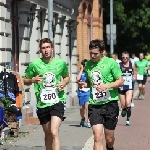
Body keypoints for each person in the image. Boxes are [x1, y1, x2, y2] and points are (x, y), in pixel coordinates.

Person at [24, 38, 70, 150]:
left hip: (57, 101)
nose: (46, 50)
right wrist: (33, 80)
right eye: (43, 48)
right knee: (48, 133)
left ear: (52, 49)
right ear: (40, 50)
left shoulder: (60, 63)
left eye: (48, 47)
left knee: (54, 132)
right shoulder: (34, 64)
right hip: (42, 103)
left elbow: (67, 77)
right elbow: (25, 80)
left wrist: (63, 83)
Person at [78, 39, 124, 150]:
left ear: (102, 52)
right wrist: (85, 84)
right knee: (97, 137)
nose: (92, 56)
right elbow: (91, 82)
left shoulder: (110, 62)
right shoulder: (88, 65)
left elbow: (121, 81)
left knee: (109, 139)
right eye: (91, 53)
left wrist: (106, 86)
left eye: (95, 53)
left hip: (110, 103)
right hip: (95, 104)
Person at [118, 51, 136, 126]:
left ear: (128, 58)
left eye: (126, 57)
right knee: (123, 105)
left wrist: (134, 77)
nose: (125, 59)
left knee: (128, 102)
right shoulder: (119, 65)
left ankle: (128, 120)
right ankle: (123, 109)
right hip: (121, 86)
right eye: (123, 57)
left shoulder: (132, 64)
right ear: (121, 58)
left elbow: (134, 72)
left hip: (129, 86)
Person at [76, 59, 91, 128]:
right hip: (81, 92)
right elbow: (77, 79)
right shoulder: (80, 72)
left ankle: (88, 121)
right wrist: (81, 70)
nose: (85, 67)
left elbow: (90, 81)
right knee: (81, 107)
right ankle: (82, 118)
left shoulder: (89, 72)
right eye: (83, 65)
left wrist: (84, 83)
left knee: (87, 106)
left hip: (88, 91)